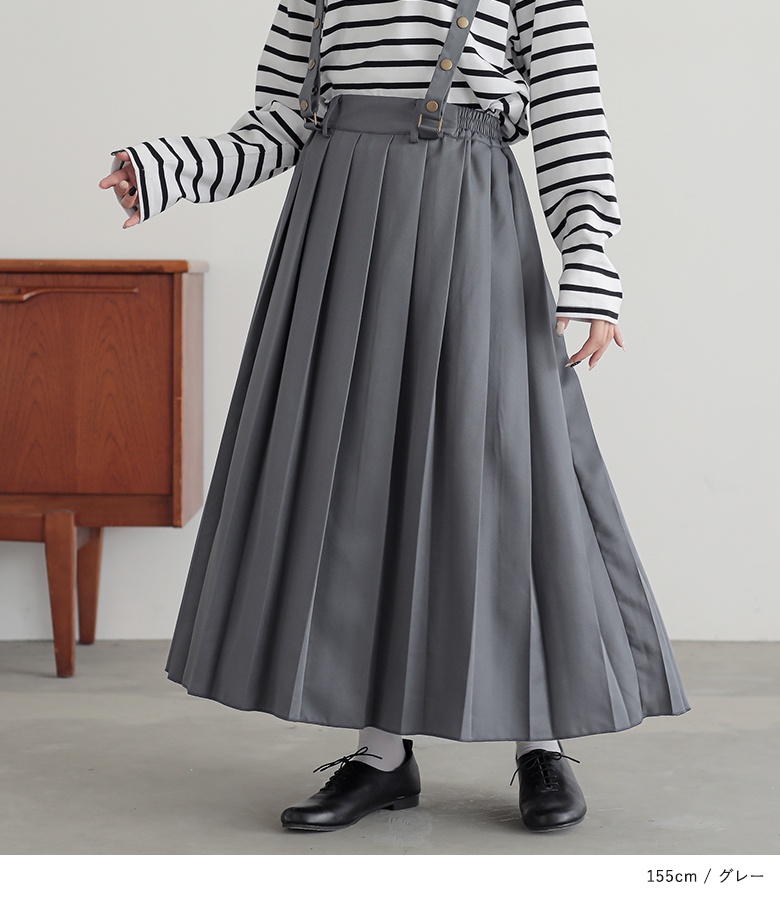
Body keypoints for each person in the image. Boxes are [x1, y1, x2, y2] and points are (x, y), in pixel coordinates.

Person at [99, 0, 690, 834]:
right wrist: (169, 167)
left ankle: (540, 742)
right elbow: (280, 118)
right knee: (356, 476)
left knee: (501, 474)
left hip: (469, 215)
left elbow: (570, 113)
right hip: (337, 227)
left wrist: (589, 257)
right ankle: (381, 756)